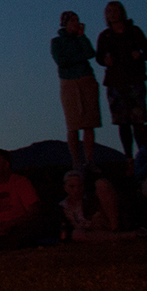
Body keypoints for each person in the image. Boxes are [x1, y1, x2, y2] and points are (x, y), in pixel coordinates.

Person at [95, 0, 147, 162]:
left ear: (122, 12)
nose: (113, 14)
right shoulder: (105, 36)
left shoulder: (134, 31)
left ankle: (143, 155)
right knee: (122, 122)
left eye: (115, 11)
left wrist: (140, 55)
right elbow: (99, 57)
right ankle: (128, 157)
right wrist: (105, 60)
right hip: (115, 82)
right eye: (109, 11)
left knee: (138, 122)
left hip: (134, 79)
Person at [52, 11, 101, 171]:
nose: (75, 23)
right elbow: (62, 61)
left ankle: (90, 160)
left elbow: (90, 53)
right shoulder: (57, 42)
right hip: (69, 83)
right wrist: (79, 58)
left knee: (89, 124)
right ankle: (76, 161)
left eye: (77, 20)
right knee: (73, 125)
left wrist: (82, 36)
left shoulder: (81, 39)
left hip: (86, 80)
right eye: (72, 21)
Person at [58, 170, 132, 241]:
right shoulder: (62, 207)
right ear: (65, 187)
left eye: (80, 186)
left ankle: (116, 231)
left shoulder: (93, 199)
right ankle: (121, 236)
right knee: (76, 234)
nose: (76, 190)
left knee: (101, 184)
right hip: (87, 234)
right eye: (72, 186)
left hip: (104, 226)